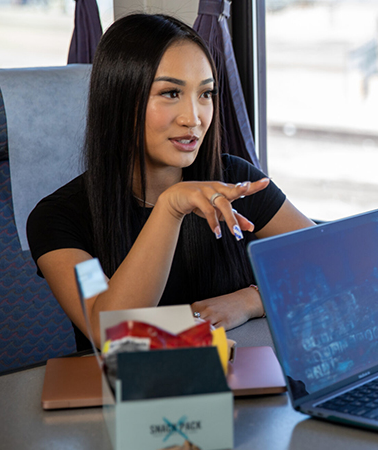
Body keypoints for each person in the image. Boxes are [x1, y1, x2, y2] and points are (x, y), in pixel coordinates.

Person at [26, 14, 314, 351]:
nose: (193, 118)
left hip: (240, 384)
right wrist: (170, 208)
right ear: (120, 99)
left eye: (205, 94)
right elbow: (110, 330)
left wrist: (252, 300)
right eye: (171, 93)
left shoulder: (233, 182)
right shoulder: (61, 219)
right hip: (126, 397)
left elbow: (343, 265)